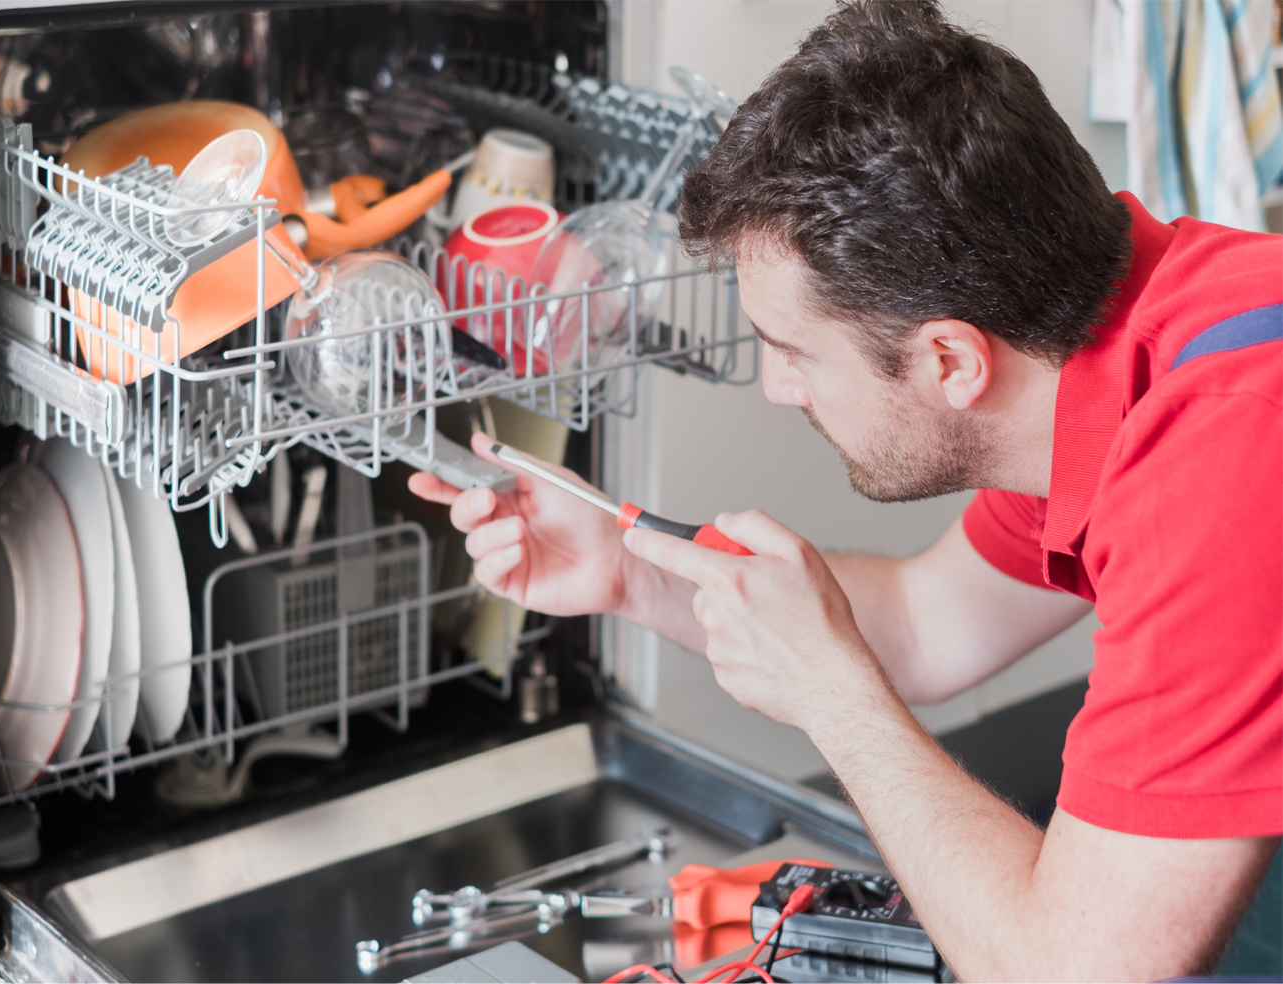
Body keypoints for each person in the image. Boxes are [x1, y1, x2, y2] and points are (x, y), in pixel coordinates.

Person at [410, 2, 1282, 978]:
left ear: (952, 360)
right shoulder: (1120, 337)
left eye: (794, 353)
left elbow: (1075, 967)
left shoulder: (1216, 462)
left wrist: (836, 701)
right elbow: (927, 621)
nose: (779, 388)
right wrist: (629, 569)